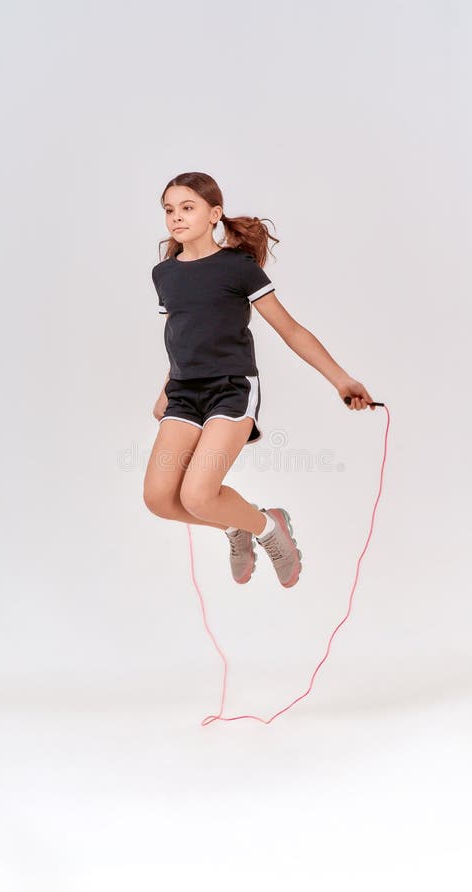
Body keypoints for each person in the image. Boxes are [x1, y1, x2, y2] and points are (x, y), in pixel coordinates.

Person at [143, 171, 375, 589]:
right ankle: (236, 527)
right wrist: (164, 392)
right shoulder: (165, 275)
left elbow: (291, 330)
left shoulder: (238, 268)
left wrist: (341, 380)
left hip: (230, 389)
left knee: (197, 495)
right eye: (169, 210)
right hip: (183, 392)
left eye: (187, 207)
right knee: (159, 499)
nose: (176, 217)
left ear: (214, 214)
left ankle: (269, 528)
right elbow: (180, 337)